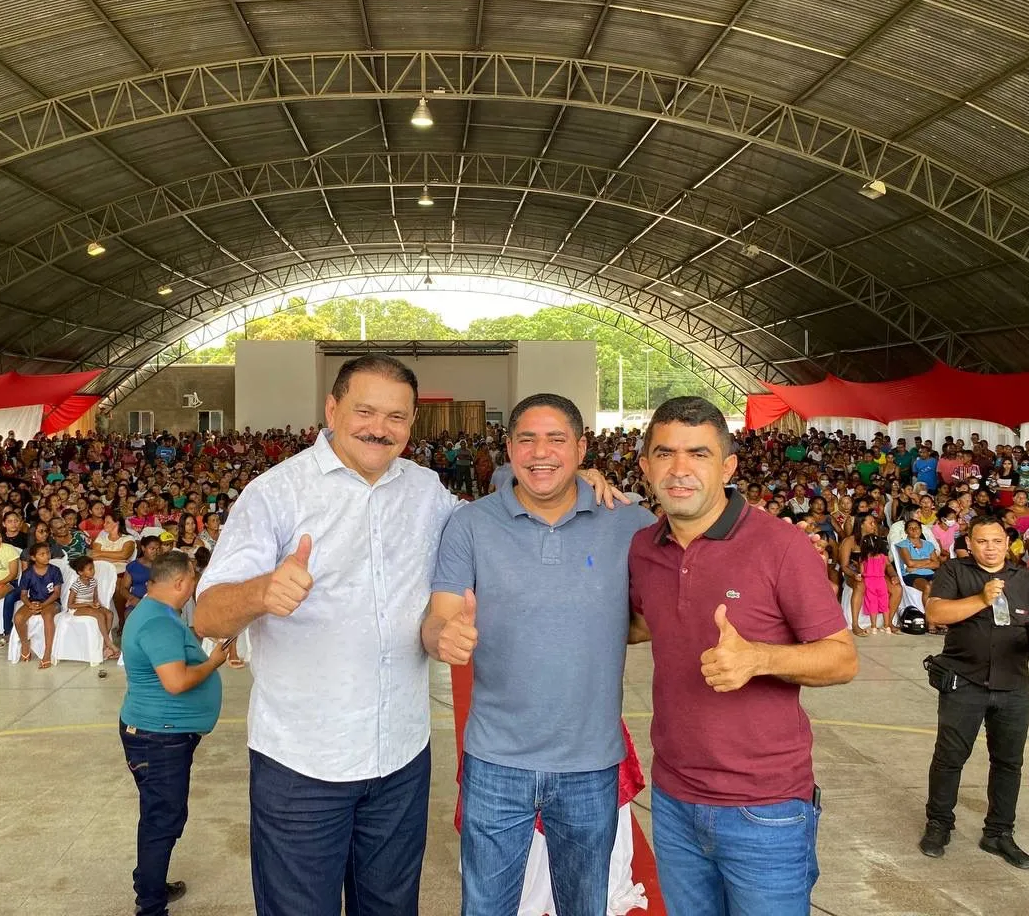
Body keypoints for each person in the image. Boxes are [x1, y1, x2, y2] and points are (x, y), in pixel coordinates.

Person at [192, 355, 618, 916]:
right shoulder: (276, 493)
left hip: (400, 759)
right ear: (332, 409)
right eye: (365, 411)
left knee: (391, 907)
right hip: (302, 764)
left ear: (412, 423)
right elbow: (206, 615)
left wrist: (573, 483)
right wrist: (260, 592)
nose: (379, 427)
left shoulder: (426, 491)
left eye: (396, 416)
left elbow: (493, 526)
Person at [423, 394, 654, 916]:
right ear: (508, 448)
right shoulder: (472, 524)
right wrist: (442, 637)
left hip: (590, 763)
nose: (540, 452)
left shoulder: (630, 522)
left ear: (581, 448)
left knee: (584, 906)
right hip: (494, 761)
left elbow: (654, 612)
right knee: (485, 907)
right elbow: (440, 616)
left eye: (556, 439)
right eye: (526, 439)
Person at [629, 397, 857, 916]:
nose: (679, 469)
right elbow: (643, 622)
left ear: (728, 466)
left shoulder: (780, 546)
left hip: (766, 809)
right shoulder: (644, 548)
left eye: (699, 454)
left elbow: (842, 659)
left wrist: (759, 658)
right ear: (645, 466)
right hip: (674, 799)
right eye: (664, 453)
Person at [919, 517, 1029, 869]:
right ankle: (939, 823)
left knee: (1009, 762)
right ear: (971, 542)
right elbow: (936, 613)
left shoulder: (1025, 578)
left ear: (1006, 541)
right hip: (963, 682)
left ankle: (999, 833)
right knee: (950, 757)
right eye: (982, 541)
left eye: (997, 540)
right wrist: (982, 598)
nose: (991, 547)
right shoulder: (954, 571)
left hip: (1012, 685)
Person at [120, 549, 226, 916]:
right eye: (193, 579)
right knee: (162, 819)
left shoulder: (157, 613)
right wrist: (212, 662)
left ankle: (149, 881)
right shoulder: (159, 623)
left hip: (156, 733)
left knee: (157, 813)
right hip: (159, 737)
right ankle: (150, 904)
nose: (195, 585)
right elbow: (177, 682)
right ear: (181, 582)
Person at [13, 542, 63, 668]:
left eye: (48, 553)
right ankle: (25, 645)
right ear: (33, 558)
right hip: (34, 601)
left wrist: (43, 605)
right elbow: (23, 595)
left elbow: (56, 593)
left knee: (47, 616)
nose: (46, 556)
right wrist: (30, 605)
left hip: (51, 602)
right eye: (42, 554)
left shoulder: (55, 571)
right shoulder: (28, 573)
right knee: (18, 618)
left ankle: (47, 653)